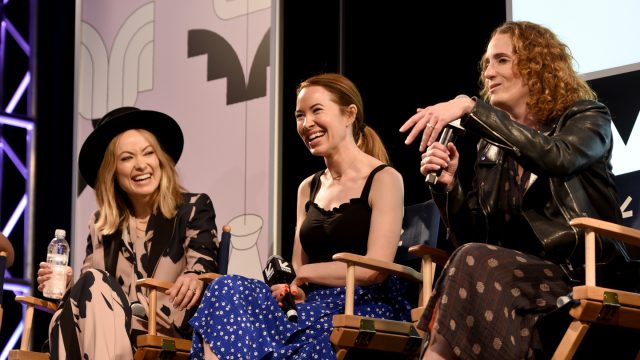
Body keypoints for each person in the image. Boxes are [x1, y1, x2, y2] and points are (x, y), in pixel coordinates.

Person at [400, 21, 636, 359]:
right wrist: (449, 188)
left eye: (501, 61)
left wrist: (472, 108)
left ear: (537, 65)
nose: (489, 73)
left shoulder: (586, 117)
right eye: (486, 65)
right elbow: (476, 238)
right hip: (513, 279)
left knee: (470, 268)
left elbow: (558, 158)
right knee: (469, 263)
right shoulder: (491, 150)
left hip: (583, 272)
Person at [190, 73, 410, 359]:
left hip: (360, 304)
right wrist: (292, 288)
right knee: (225, 287)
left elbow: (374, 270)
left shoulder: (384, 178)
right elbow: (297, 264)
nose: (307, 124)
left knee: (302, 337)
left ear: (349, 115)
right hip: (312, 303)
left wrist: (306, 275)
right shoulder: (308, 187)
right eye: (299, 116)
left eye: (317, 111)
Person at [36, 107, 219, 358]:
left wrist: (194, 277)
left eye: (148, 153)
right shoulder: (101, 224)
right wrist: (68, 285)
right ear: (112, 171)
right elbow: (91, 288)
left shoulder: (193, 208)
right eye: (127, 158)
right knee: (83, 291)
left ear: (160, 160)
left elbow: (204, 269)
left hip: (163, 331)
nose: (141, 165)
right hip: (108, 328)